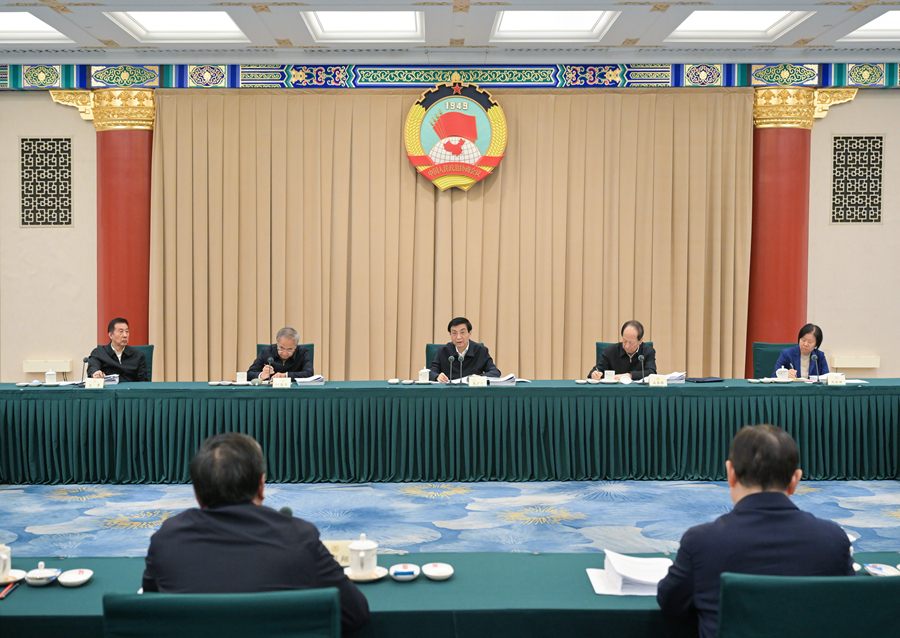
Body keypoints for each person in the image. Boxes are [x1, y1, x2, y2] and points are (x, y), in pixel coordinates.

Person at [142, 432, 369, 635]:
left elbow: (151, 609)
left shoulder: (166, 540)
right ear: (261, 486)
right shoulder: (299, 537)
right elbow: (355, 615)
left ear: (197, 494)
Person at [657, 424, 854, 638]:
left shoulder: (701, 542)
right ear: (795, 480)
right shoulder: (833, 540)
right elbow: (849, 607)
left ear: (730, 473)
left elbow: (670, 604)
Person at [429, 317, 500, 382]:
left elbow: (495, 372)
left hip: (472, 390)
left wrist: (480, 377)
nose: (458, 337)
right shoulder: (443, 351)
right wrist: (437, 376)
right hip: (449, 390)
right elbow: (430, 371)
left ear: (470, 333)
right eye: (454, 333)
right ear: (450, 334)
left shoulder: (481, 350)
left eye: (462, 332)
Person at [588, 320, 656, 381]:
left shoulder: (648, 351)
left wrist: (629, 375)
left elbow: (651, 372)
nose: (627, 346)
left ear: (640, 340)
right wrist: (594, 374)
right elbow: (597, 370)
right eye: (624, 341)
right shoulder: (610, 351)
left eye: (631, 343)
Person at [87, 317, 148, 382]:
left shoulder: (138, 355)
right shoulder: (99, 353)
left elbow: (143, 381)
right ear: (111, 335)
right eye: (121, 331)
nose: (125, 335)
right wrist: (96, 373)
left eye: (127, 331)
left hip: (130, 388)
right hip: (108, 388)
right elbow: (93, 367)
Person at [248, 327, 313, 381]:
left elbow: (309, 373)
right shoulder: (266, 352)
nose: (284, 353)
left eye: (289, 349)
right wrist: (262, 375)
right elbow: (249, 374)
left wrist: (285, 375)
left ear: (296, 346)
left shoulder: (302, 352)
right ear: (277, 343)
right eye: (281, 348)